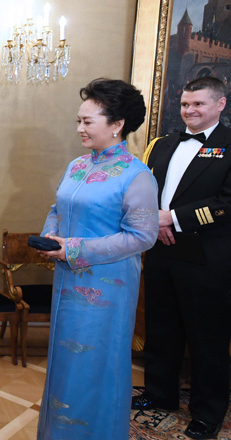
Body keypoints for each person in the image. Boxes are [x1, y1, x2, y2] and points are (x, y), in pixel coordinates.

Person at [36, 78, 159, 439]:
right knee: (65, 363)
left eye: (88, 122)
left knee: (94, 364)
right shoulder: (77, 165)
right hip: (66, 282)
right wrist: (50, 236)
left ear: (117, 124)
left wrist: (74, 249)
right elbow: (59, 207)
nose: (80, 128)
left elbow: (142, 236)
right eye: (79, 120)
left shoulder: (137, 175)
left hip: (108, 289)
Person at [133, 76, 231, 440]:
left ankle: (207, 413)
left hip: (207, 257)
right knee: (161, 328)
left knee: (207, 339)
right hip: (161, 249)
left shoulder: (229, 144)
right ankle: (160, 394)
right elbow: (146, 189)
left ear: (220, 104)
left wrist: (172, 218)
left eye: (198, 104)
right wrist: (157, 222)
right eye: (185, 104)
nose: (189, 111)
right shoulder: (163, 144)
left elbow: (227, 203)